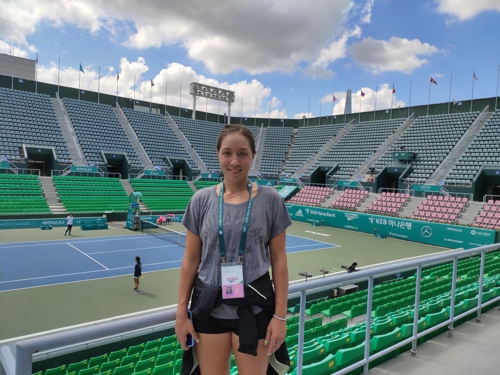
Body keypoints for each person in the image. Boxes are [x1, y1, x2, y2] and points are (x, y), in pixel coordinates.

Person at [176, 124, 292, 375]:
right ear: (218, 154)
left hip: (255, 308)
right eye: (227, 153)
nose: (234, 161)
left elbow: (279, 261)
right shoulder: (201, 200)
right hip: (209, 309)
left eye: (242, 153)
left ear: (252, 155)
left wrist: (280, 317)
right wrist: (181, 314)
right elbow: (191, 259)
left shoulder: (271, 200)